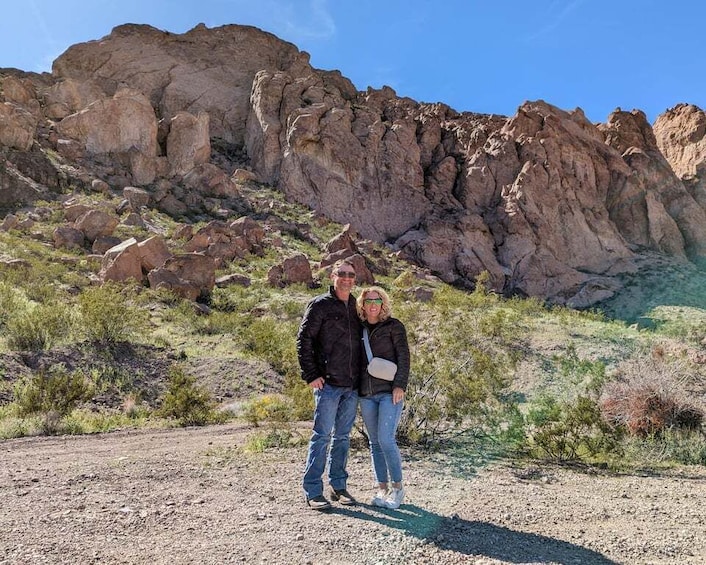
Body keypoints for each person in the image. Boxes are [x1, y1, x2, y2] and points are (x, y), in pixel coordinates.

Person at [296, 258, 362, 510]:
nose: (347, 278)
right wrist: (311, 374)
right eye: (342, 273)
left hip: (352, 384)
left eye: (351, 275)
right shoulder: (320, 305)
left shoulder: (356, 305)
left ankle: (339, 486)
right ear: (332, 277)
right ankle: (313, 490)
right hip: (328, 384)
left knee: (342, 437)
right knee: (322, 436)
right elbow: (304, 340)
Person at [356, 286, 410, 509]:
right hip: (366, 394)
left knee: (386, 439)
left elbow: (404, 356)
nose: (372, 304)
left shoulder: (394, 326)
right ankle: (381, 488)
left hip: (389, 392)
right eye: (368, 301)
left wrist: (400, 385)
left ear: (383, 303)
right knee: (375, 442)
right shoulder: (359, 329)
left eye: (376, 300)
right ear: (362, 304)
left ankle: (397, 489)